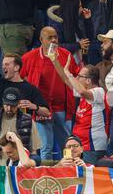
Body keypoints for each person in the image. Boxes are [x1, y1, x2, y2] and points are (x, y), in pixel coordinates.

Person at [20, 26, 80, 161]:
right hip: (42, 110)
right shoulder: (29, 57)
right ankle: (46, 175)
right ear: (41, 40)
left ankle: (68, 170)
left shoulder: (66, 55)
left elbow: (76, 77)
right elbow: (19, 79)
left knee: (67, 144)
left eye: (55, 37)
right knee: (46, 146)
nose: (54, 40)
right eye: (49, 37)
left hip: (63, 108)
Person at [50, 54, 108, 165]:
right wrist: (54, 60)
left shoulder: (99, 92)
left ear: (88, 81)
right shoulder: (82, 93)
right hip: (78, 144)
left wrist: (70, 74)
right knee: (70, 170)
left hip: (92, 147)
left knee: (87, 176)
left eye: (80, 76)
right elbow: (66, 79)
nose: (76, 78)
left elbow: (81, 90)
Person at [0, 87, 42, 166]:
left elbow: (34, 150)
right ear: (3, 103)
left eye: (13, 105)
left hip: (18, 168)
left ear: (18, 104)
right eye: (7, 105)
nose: (9, 108)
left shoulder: (28, 121)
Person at [47, 0, 94, 64]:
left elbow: (88, 40)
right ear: (72, 9)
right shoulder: (56, 25)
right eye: (79, 7)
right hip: (63, 65)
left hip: (79, 63)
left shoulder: (76, 20)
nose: (82, 9)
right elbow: (54, 47)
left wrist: (88, 20)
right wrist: (77, 45)